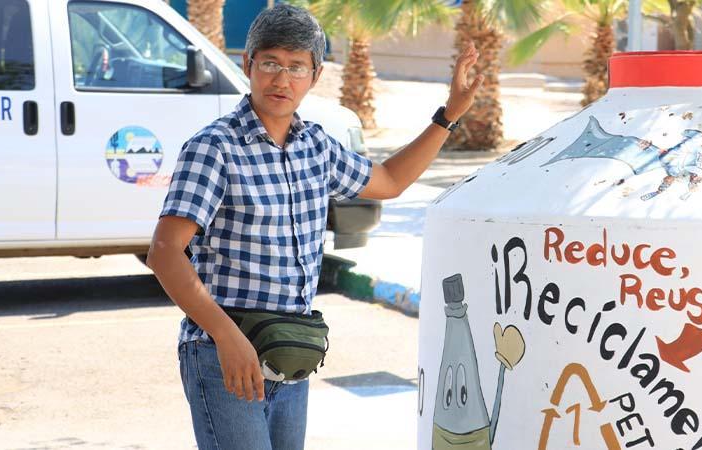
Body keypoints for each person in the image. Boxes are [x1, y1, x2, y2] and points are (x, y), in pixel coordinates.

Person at [145, 4, 482, 450]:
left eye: (296, 67)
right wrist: (227, 338)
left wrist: (448, 115)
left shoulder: (317, 146)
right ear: (248, 64)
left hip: (292, 352)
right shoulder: (214, 148)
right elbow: (165, 253)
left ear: (315, 76)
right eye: (270, 63)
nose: (281, 80)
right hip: (223, 354)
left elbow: (390, 181)